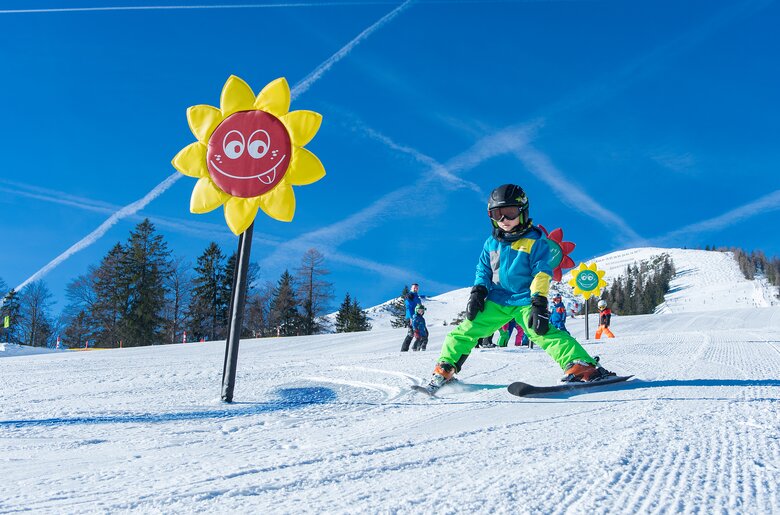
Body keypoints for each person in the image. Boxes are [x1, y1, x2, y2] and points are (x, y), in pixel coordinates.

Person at [421, 184, 615, 393]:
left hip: (524, 299)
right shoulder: (491, 243)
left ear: (523, 211)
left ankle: (582, 366)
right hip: (498, 299)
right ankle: (445, 368)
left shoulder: (535, 240)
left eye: (510, 213)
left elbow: (542, 272)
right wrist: (478, 292)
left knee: (542, 332)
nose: (504, 220)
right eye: (497, 214)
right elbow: (483, 269)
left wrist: (539, 301)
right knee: (465, 331)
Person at [400, 283, 421, 352]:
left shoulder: (417, 297)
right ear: (411, 288)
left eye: (417, 288)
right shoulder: (410, 295)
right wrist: (411, 318)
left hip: (417, 317)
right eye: (414, 287)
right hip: (410, 317)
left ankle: (417, 349)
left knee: (419, 333)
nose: (416, 289)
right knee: (411, 333)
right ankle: (403, 350)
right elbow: (408, 307)